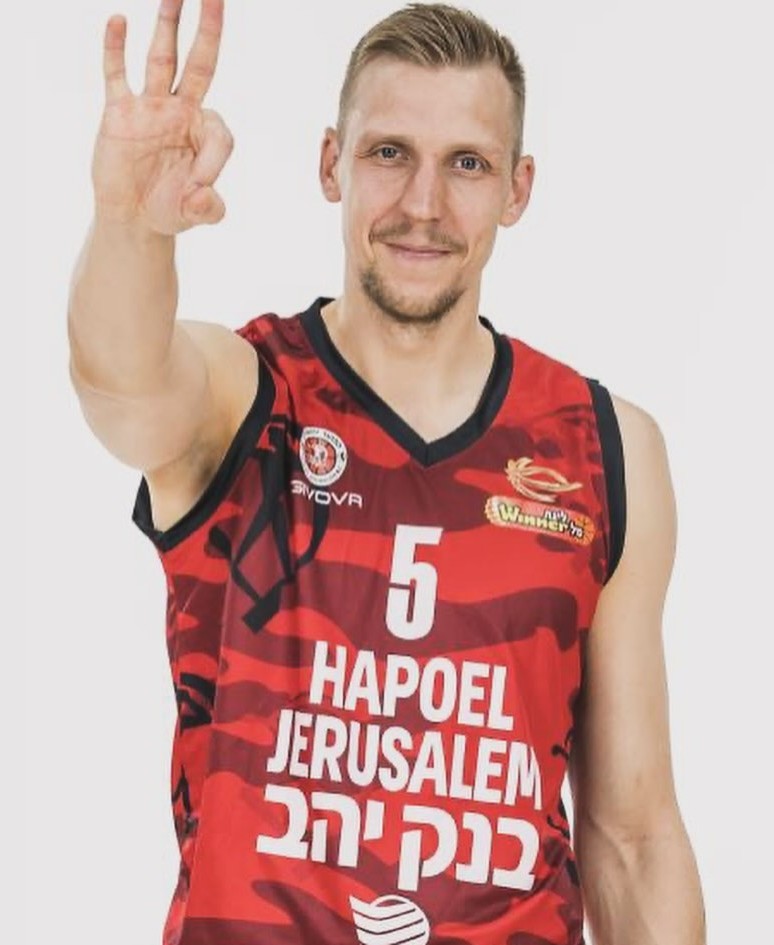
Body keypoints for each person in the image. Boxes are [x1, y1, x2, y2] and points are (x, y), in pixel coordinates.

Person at [67, 0, 706, 942]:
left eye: (468, 164)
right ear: (332, 163)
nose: (424, 205)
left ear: (518, 189)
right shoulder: (244, 397)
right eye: (390, 152)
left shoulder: (604, 448)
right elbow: (119, 381)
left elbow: (634, 836)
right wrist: (129, 226)